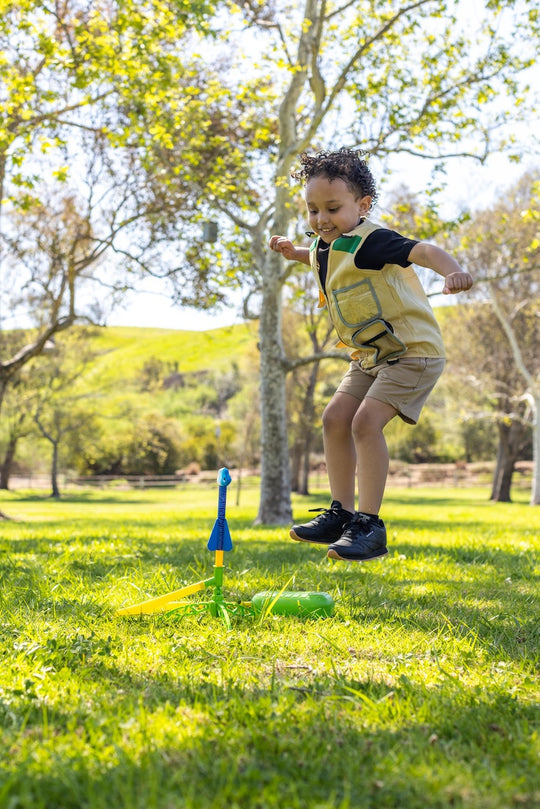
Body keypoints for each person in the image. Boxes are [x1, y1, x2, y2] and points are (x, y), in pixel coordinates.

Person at [269, 147, 473, 562]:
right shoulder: (326, 245)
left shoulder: (374, 240)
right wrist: (294, 253)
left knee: (364, 423)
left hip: (413, 353)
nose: (321, 219)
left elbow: (423, 251)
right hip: (369, 356)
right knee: (334, 419)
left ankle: (370, 525)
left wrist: (452, 269)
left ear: (362, 205)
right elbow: (320, 257)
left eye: (332, 208)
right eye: (312, 210)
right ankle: (341, 514)